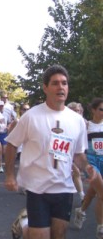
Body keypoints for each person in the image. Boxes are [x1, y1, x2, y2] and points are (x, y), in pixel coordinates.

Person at [4, 65, 98, 239]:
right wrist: (9, 174)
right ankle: (24, 226)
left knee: (58, 235)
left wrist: (87, 167)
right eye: (55, 83)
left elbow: (78, 154)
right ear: (45, 88)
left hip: (64, 188)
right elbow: (11, 144)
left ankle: (25, 227)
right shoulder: (31, 116)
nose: (60, 87)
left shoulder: (77, 120)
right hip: (37, 187)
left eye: (64, 83)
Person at [73, 98, 103, 238]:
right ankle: (101, 227)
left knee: (92, 192)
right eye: (101, 109)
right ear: (93, 110)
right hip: (91, 163)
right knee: (102, 193)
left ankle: (81, 211)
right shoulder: (86, 125)